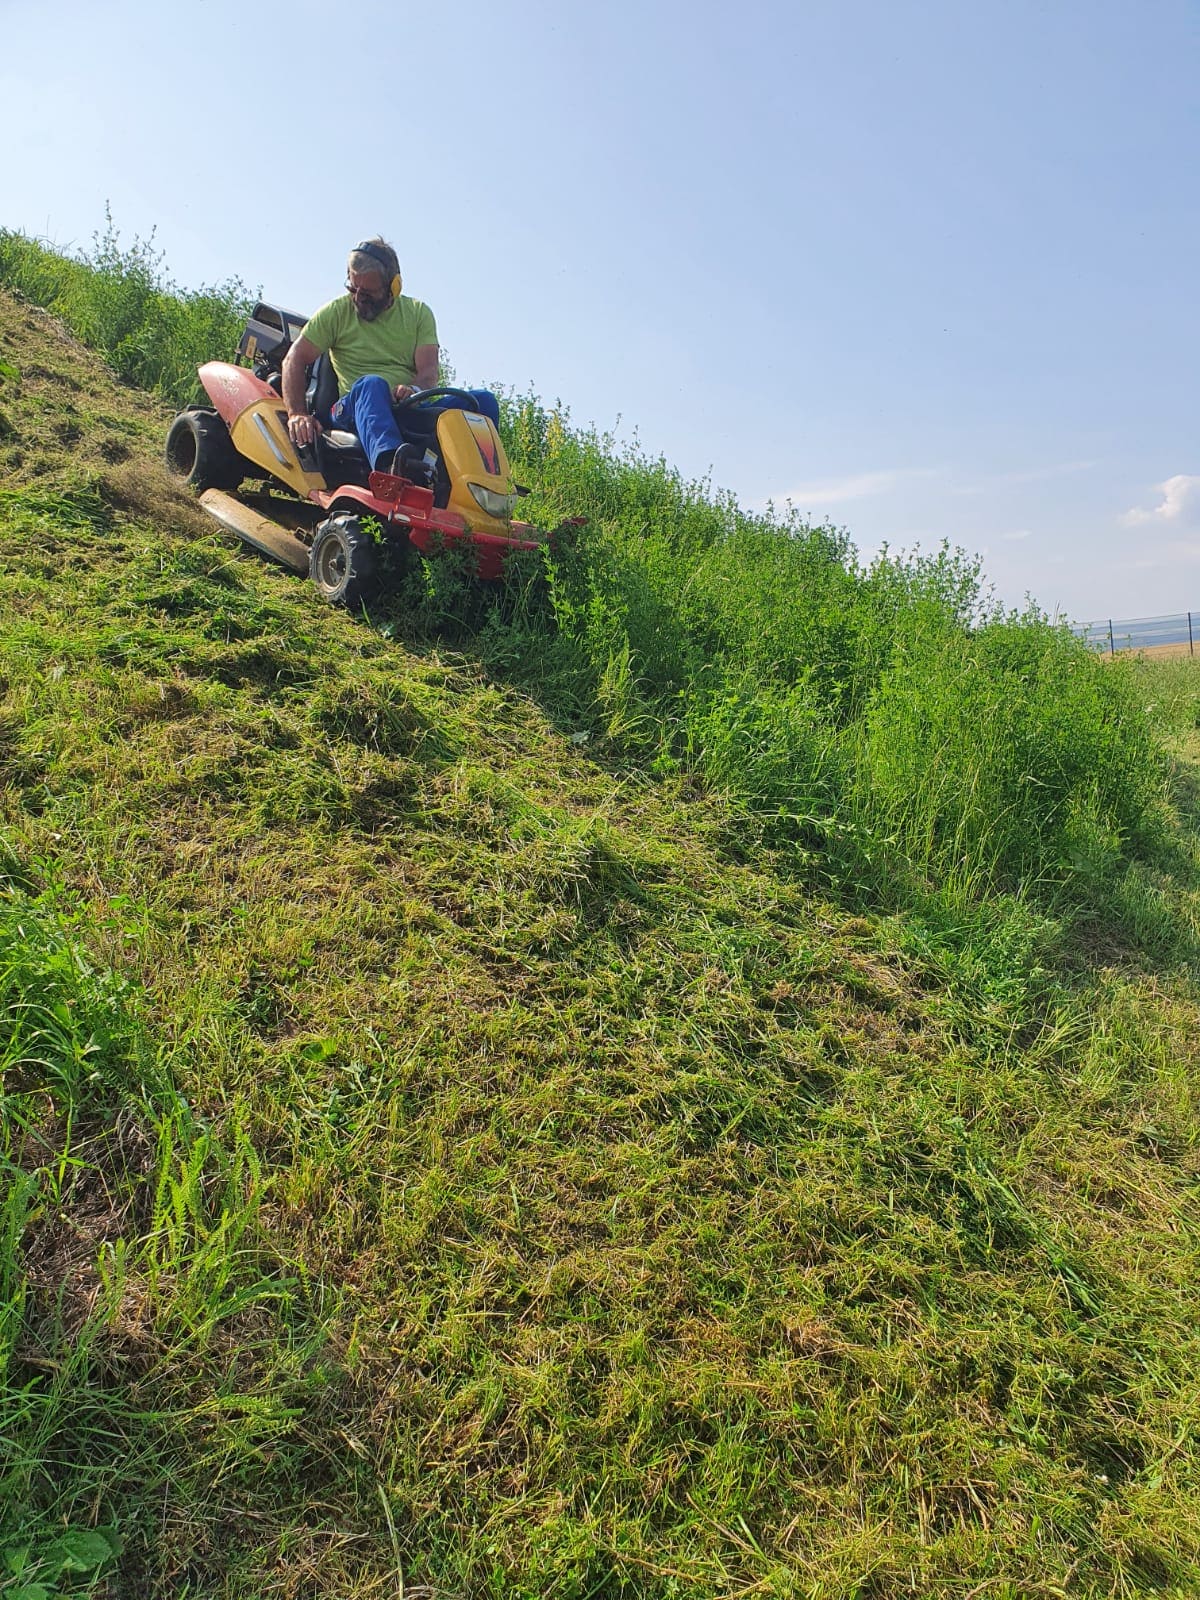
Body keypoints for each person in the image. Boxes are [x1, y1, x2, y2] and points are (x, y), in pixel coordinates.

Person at [281, 237, 499, 472]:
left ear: (394, 287)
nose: (358, 299)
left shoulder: (418, 314)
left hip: (405, 409)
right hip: (353, 409)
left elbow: (428, 373)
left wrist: (413, 390)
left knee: (483, 401)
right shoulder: (336, 313)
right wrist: (297, 414)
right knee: (373, 384)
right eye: (354, 289)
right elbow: (294, 359)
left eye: (368, 294)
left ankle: (480, 483)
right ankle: (390, 470)